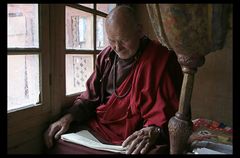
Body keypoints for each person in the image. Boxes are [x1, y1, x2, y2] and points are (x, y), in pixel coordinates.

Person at [44, 5, 183, 154]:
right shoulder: (106, 56)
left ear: (139, 31)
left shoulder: (160, 58)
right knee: (61, 141)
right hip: (102, 128)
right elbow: (90, 97)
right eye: (111, 40)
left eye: (124, 40)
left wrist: (153, 130)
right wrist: (67, 117)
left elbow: (171, 110)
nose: (117, 47)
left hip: (138, 133)